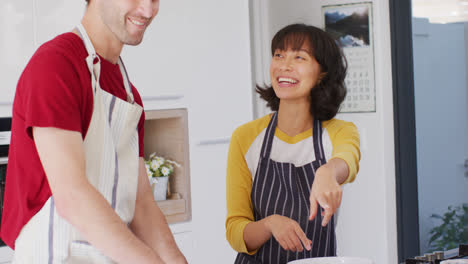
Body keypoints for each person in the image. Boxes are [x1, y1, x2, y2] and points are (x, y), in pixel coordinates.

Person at [1, 0, 187, 263]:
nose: (147, 10)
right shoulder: (55, 66)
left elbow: (142, 204)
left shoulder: (129, 95)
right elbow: (72, 196)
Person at [225, 23, 361, 263]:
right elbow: (235, 230)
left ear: (322, 73)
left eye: (299, 57)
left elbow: (347, 160)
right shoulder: (246, 137)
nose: (284, 66)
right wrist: (269, 224)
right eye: (279, 55)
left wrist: (328, 172)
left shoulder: (340, 132)